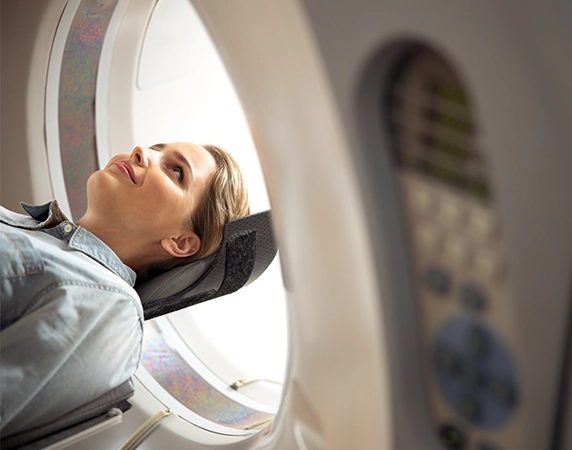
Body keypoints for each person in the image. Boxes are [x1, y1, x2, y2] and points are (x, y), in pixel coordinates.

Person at [0, 142, 250, 437]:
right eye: (156, 148)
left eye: (176, 171)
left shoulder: (111, 307)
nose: (140, 151)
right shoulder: (27, 228)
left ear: (181, 241)